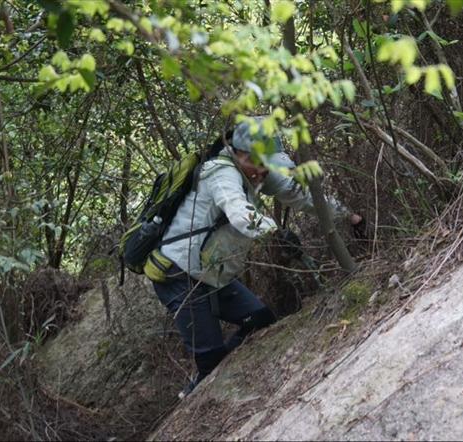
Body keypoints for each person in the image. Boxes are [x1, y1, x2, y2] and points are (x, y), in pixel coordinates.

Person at [152, 117, 361, 397]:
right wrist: (275, 232)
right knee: (211, 360)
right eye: (261, 162)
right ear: (241, 154)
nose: (265, 170)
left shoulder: (256, 172)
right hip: (178, 275)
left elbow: (299, 195)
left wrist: (350, 216)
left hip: (212, 273)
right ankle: (198, 389)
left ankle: (223, 364)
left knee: (260, 319)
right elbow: (240, 214)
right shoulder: (220, 173)